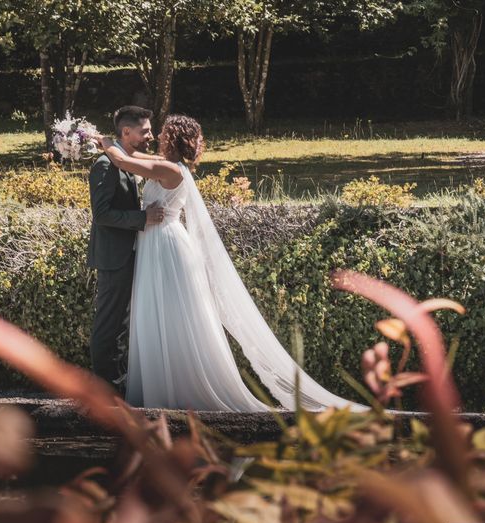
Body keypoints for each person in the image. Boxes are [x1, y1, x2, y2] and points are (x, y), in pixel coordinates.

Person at [98, 114, 366, 412]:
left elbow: (123, 161)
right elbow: (133, 154)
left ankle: (178, 388)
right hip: (156, 241)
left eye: (163, 133)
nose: (157, 135)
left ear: (171, 139)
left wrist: (106, 143)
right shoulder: (170, 165)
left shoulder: (168, 168)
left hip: (165, 246)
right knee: (157, 312)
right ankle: (162, 385)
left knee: (169, 313)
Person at [87, 106, 165, 389]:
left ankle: (119, 383)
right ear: (126, 132)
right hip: (113, 257)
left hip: (129, 253)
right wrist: (143, 218)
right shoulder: (105, 165)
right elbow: (102, 213)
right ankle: (104, 389)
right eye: (145, 131)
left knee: (122, 323)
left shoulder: (125, 160)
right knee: (109, 324)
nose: (150, 136)